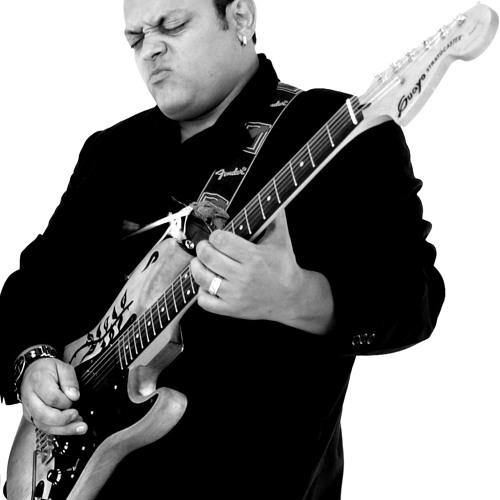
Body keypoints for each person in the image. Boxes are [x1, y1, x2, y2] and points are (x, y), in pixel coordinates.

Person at [0, 0, 445, 498]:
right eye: (135, 38)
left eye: (172, 25)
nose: (150, 49)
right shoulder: (111, 152)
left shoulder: (337, 131)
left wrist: (300, 297)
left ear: (239, 18)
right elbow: (33, 288)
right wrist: (31, 361)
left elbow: (415, 300)